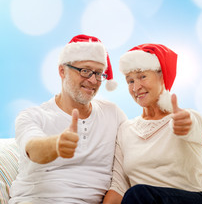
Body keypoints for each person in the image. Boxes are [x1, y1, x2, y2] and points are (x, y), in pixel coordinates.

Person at [9, 34, 128, 204]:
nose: (93, 80)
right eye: (85, 71)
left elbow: (120, 179)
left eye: (99, 73)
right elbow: (33, 149)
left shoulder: (113, 115)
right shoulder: (33, 116)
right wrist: (56, 145)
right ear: (62, 71)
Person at [103, 43, 202, 204]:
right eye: (130, 81)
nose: (136, 87)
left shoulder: (185, 117)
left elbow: (191, 126)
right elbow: (118, 187)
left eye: (142, 76)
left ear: (162, 76)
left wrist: (185, 124)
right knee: (137, 195)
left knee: (139, 194)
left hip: (200, 199)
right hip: (145, 200)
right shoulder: (125, 130)